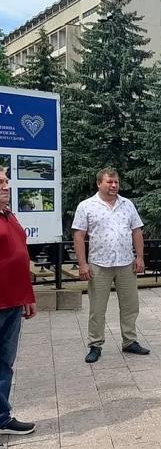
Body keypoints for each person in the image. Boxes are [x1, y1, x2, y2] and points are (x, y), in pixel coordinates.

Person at [72, 168, 150, 363]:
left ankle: (129, 341)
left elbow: (137, 232)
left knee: (130, 305)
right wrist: (82, 264)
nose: (114, 185)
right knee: (97, 308)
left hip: (126, 263)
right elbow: (79, 236)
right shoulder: (86, 206)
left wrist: (140, 257)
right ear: (99, 183)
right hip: (99, 264)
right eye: (109, 182)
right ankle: (95, 345)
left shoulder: (127, 204)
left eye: (116, 182)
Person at [0, 167, 37, 436]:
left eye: (6, 181)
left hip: (13, 301)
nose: (5, 186)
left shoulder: (9, 215)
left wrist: (28, 296)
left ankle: (2, 417)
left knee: (4, 362)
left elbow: (20, 257)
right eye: (0, 182)